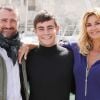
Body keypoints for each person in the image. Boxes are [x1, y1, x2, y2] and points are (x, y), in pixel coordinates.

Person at [25, 10, 75, 100]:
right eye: (41, 28)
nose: (46, 32)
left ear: (57, 28)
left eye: (50, 27)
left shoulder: (70, 57)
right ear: (35, 31)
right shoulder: (27, 57)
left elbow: (78, 88)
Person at [0, 6, 29, 100]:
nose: (8, 25)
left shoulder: (22, 48)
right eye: (3, 20)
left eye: (13, 20)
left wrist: (32, 45)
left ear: (18, 23)